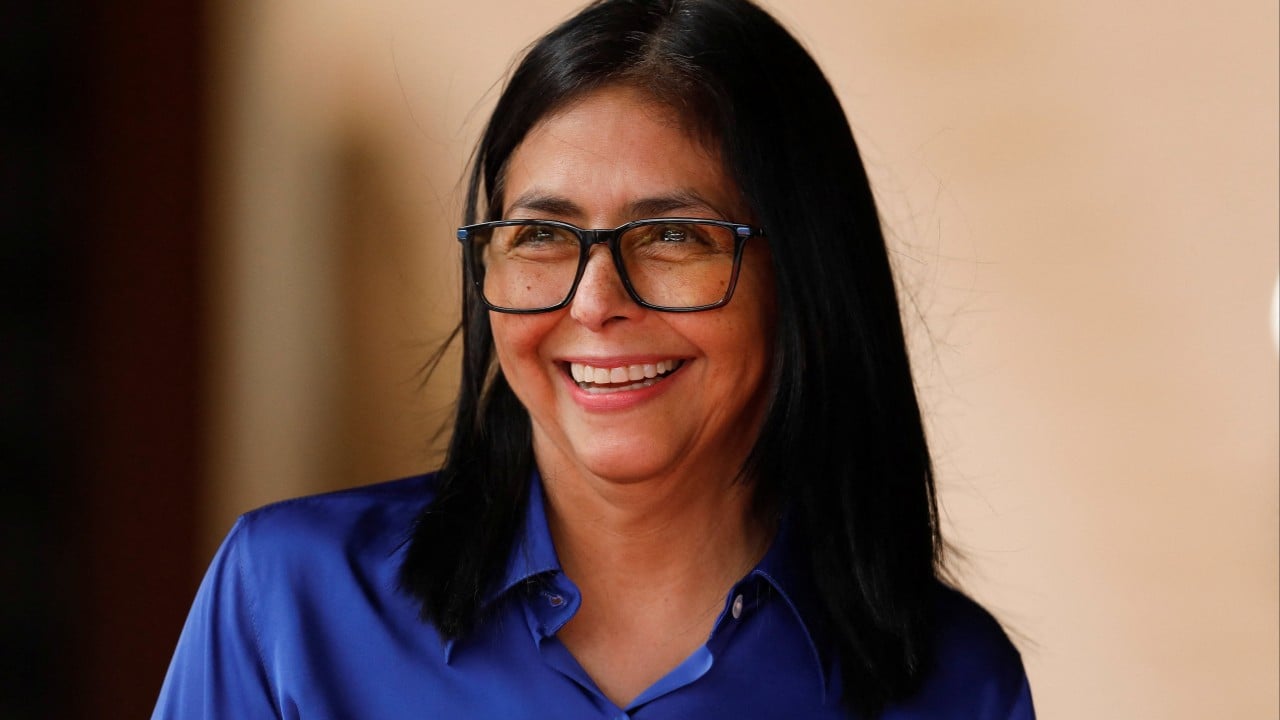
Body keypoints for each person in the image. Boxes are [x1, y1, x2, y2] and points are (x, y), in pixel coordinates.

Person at [154, 0, 1035, 717]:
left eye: (673, 236)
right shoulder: (287, 601)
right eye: (541, 234)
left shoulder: (956, 683)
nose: (593, 303)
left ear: (804, 277)